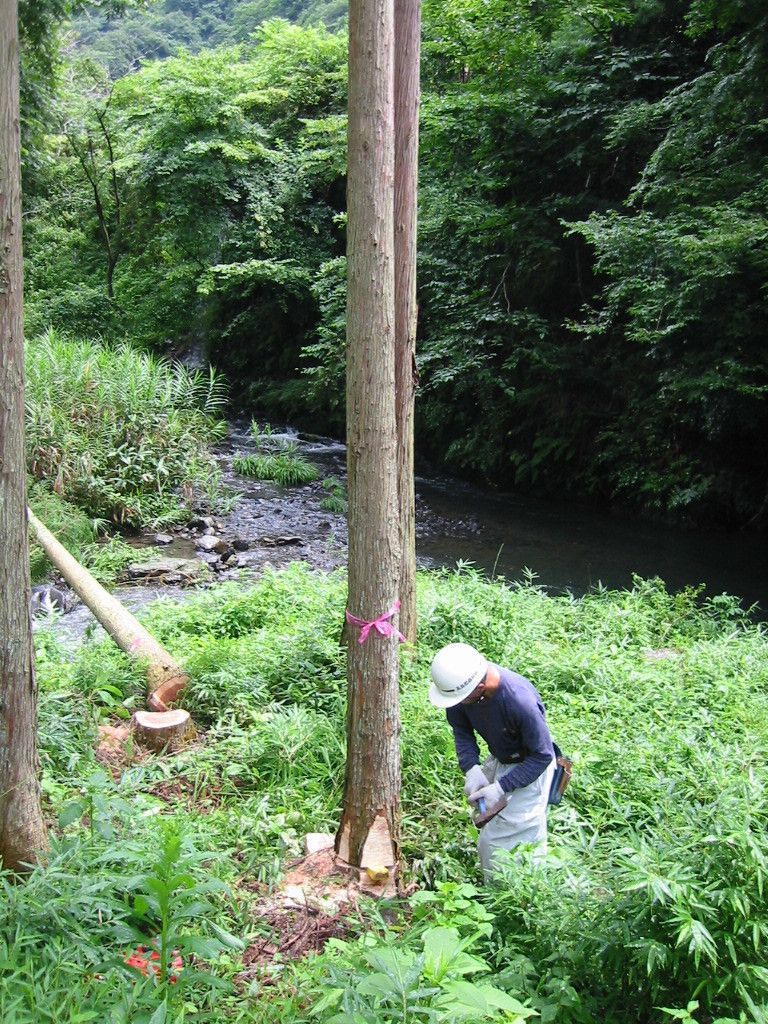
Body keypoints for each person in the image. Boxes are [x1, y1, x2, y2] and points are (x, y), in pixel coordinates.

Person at [429, 642, 556, 879]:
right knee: (493, 829)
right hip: (501, 757)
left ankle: (518, 898)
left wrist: (502, 787)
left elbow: (543, 755)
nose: (458, 703)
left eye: (462, 699)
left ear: (480, 687)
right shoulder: (460, 691)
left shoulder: (519, 700)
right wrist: (471, 768)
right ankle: (500, 891)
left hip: (530, 765)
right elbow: (461, 729)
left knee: (507, 840)